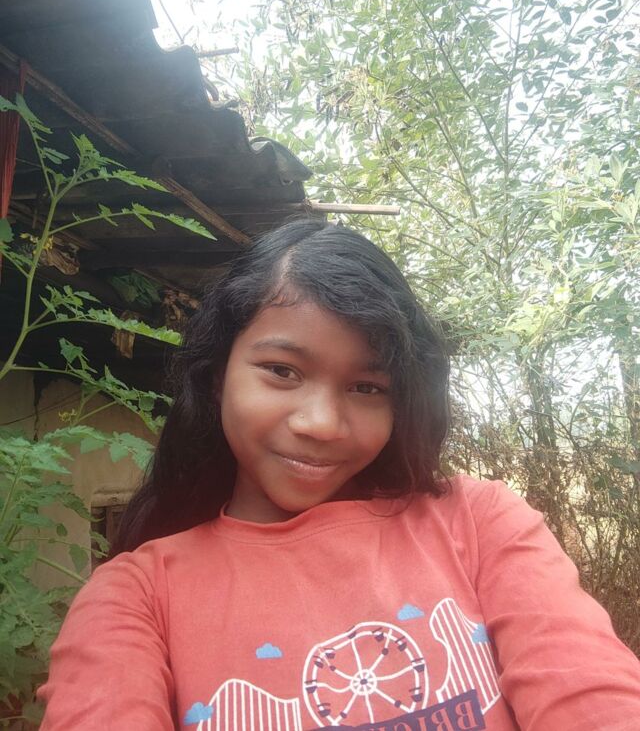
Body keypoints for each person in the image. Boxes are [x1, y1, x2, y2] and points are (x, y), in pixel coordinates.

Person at [38, 219, 640, 730]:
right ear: (219, 375)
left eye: (367, 387)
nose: (323, 424)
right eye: (282, 371)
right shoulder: (136, 598)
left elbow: (590, 695)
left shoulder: (479, 525)